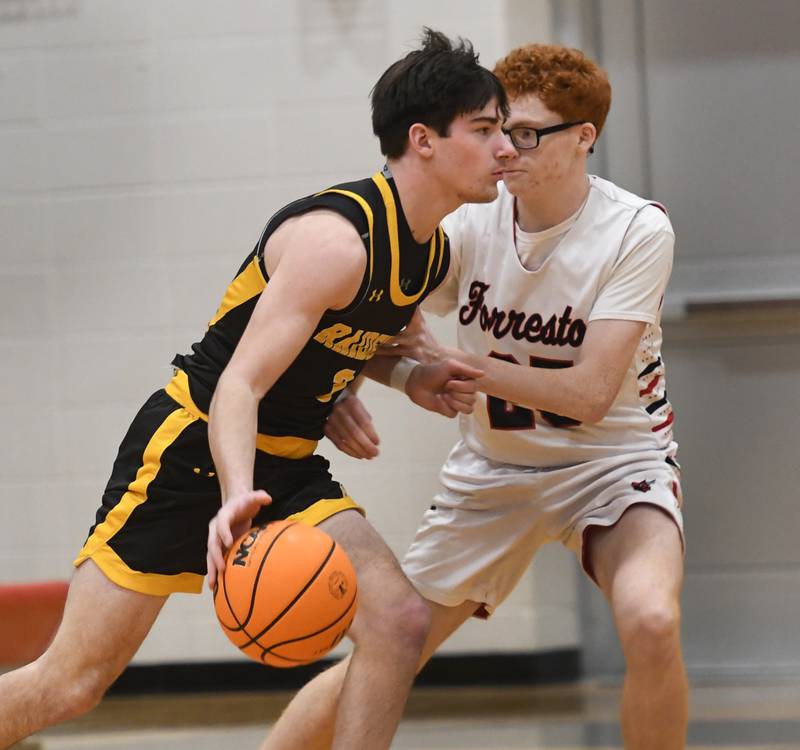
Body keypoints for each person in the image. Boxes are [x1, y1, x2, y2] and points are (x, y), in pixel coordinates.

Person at [0, 29, 516, 750]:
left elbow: (347, 341)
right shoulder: (337, 242)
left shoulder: (428, 252)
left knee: (398, 621)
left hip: (284, 462)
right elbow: (240, 382)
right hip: (191, 448)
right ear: (423, 139)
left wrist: (406, 375)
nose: (507, 149)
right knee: (72, 683)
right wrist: (237, 494)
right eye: (487, 130)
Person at [265, 43, 687, 750]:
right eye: (493, 130)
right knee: (391, 647)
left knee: (651, 620)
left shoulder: (636, 230)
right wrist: (343, 379)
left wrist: (456, 365)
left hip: (611, 462)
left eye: (523, 132)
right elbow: (362, 310)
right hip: (493, 469)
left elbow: (586, 394)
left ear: (584, 137)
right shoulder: (468, 221)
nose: (503, 149)